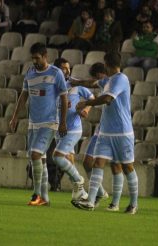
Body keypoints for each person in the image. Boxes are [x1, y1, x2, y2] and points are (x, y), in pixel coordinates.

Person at [73, 52, 138, 214]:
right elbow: (92, 83)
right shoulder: (107, 80)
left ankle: (133, 204)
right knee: (98, 163)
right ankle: (90, 201)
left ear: (108, 65)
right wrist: (74, 81)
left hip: (122, 132)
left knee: (127, 167)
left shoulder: (121, 79)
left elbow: (107, 99)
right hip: (105, 132)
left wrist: (86, 103)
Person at [9, 42, 68, 206]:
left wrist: (62, 122)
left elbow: (64, 98)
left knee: (35, 154)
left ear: (45, 56)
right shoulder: (30, 73)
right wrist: (15, 117)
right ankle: (45, 198)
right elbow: (23, 96)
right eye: (32, 58)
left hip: (49, 123)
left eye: (37, 58)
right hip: (33, 124)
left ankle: (36, 194)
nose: (34, 61)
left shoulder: (56, 73)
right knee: (39, 159)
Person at [52, 57, 93, 202]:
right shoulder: (52, 85)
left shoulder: (74, 84)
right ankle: (84, 193)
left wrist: (86, 109)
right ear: (57, 69)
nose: (68, 71)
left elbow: (91, 96)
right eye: (64, 68)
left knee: (59, 157)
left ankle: (80, 184)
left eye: (69, 68)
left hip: (73, 128)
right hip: (58, 129)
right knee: (68, 161)